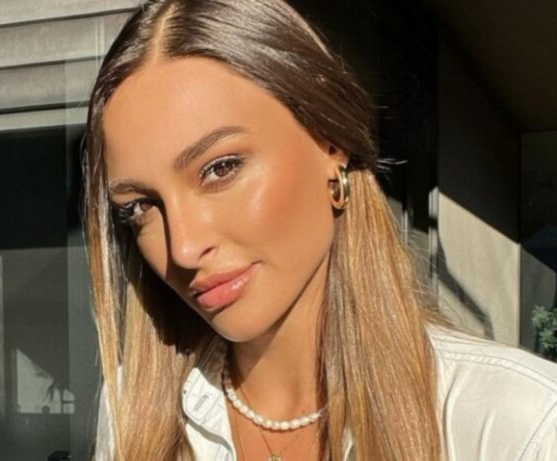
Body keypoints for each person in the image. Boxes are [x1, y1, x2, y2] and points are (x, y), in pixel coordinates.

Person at [82, 0, 557, 459]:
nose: (184, 248)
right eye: (140, 207)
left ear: (331, 143)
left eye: (221, 168)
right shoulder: (132, 413)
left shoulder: (520, 426)